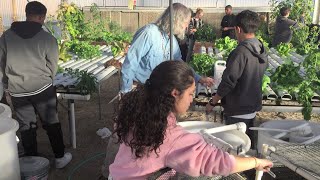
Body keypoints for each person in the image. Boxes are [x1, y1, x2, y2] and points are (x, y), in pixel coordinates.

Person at [109, 61, 273, 179]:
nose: (191, 99)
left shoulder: (140, 111)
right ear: (175, 93)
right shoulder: (169, 135)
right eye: (190, 94)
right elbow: (217, 162)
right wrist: (255, 161)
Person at [0, 1, 72, 168]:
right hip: (42, 89)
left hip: (17, 91)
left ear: (27, 15)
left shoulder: (6, 37)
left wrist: (7, 85)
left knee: (27, 126)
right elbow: (53, 66)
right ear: (41, 17)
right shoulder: (47, 38)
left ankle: (32, 162)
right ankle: (60, 158)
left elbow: (1, 64)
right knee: (51, 122)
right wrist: (46, 78)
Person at [207, 10, 268, 149]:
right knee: (247, 145)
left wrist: (213, 101)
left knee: (234, 147)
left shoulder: (241, 52)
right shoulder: (261, 49)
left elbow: (229, 81)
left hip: (238, 108)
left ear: (238, 29)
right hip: (251, 106)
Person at [120, 3, 213, 94]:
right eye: (186, 23)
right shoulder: (149, 33)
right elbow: (130, 63)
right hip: (139, 89)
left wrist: (199, 78)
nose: (186, 27)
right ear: (177, 21)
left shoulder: (171, 40)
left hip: (155, 90)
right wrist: (126, 92)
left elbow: (179, 64)